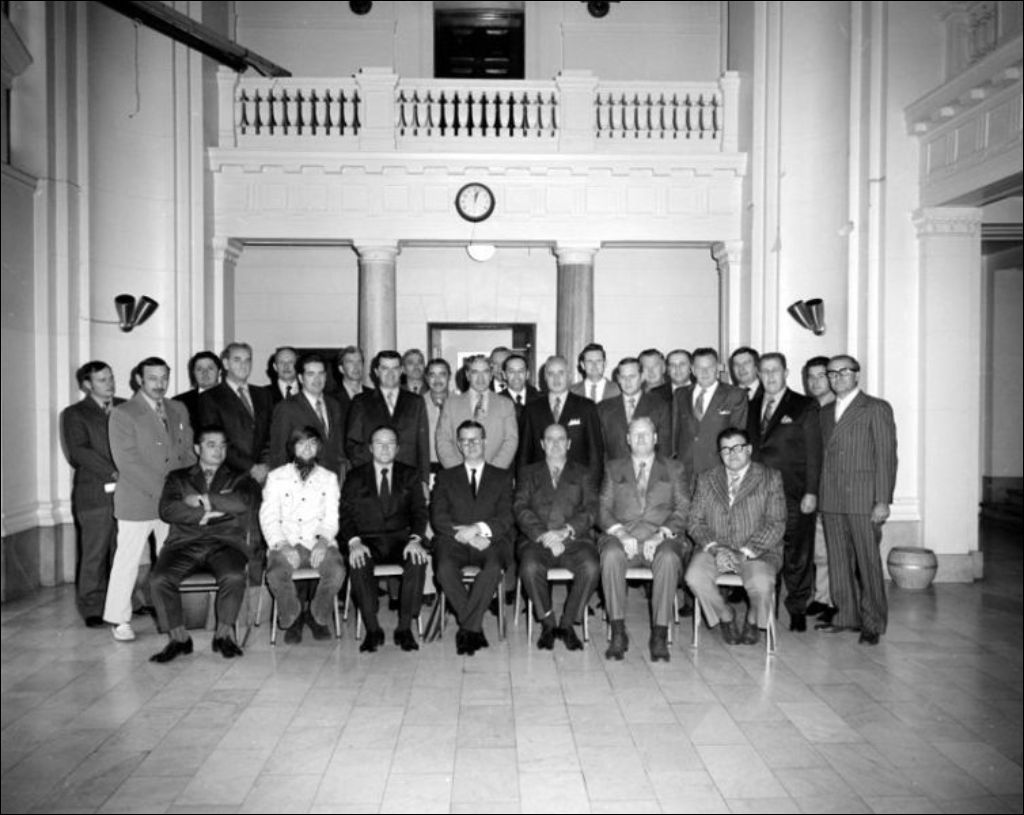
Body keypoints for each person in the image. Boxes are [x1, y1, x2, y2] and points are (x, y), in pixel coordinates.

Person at [105, 357, 196, 642]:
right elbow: (128, 463)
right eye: (153, 378)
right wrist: (169, 492)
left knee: (171, 559)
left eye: (164, 378)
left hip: (173, 502)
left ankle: (171, 617)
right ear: (139, 380)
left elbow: (187, 453)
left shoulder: (178, 409)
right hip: (138, 501)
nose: (159, 384)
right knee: (128, 562)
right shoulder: (123, 413)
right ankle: (119, 619)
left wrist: (189, 486)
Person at [149, 426, 256, 663]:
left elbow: (240, 502)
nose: (218, 451)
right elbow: (168, 510)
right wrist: (204, 515)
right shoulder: (178, 477)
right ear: (197, 449)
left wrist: (201, 500)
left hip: (224, 543)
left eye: (222, 445)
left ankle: (223, 636)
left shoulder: (239, 476)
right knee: (159, 579)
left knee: (234, 576)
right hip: (183, 543)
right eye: (211, 445)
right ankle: (179, 639)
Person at [818, 355, 898, 645]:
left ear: (856, 375)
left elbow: (886, 457)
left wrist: (882, 500)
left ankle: (873, 622)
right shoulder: (825, 412)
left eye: (844, 372)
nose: (837, 377)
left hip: (863, 499)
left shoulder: (875, 408)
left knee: (867, 562)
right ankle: (846, 616)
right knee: (838, 562)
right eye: (831, 373)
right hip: (832, 497)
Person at [598, 416, 689, 662]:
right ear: (627, 439)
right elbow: (602, 508)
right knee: (610, 555)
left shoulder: (674, 468)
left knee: (668, 557)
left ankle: (659, 634)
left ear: (656, 438)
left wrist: (660, 534)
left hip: (661, 539)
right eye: (635, 434)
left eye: (646, 433)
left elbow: (683, 508)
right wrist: (620, 532)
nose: (640, 438)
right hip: (622, 538)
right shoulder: (613, 468)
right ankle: (618, 633)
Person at [685, 428, 786, 646]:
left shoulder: (770, 478)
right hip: (715, 548)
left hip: (758, 551)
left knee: (761, 583)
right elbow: (694, 522)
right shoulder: (706, 479)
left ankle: (753, 620)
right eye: (726, 450)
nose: (732, 454)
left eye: (738, 448)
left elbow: (776, 523)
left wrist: (745, 552)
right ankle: (725, 615)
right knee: (694, 577)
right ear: (720, 454)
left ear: (749, 449)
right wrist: (716, 549)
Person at [747, 352, 821, 632]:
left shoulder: (804, 406)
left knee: (797, 553)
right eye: (764, 371)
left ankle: (797, 608)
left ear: (786, 373)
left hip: (794, 492)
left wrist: (811, 492)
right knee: (765, 551)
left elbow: (814, 453)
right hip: (759, 495)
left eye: (775, 370)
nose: (769, 376)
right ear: (758, 374)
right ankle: (767, 609)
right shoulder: (752, 406)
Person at [340, 426, 429, 652]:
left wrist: (416, 539)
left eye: (390, 443)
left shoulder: (410, 474)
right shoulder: (355, 476)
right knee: (358, 561)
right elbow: (345, 514)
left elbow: (420, 512)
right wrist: (354, 542)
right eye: (379, 443)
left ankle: (404, 627)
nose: (385, 448)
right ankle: (372, 629)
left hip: (401, 540)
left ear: (398, 448)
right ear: (370, 448)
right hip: (367, 540)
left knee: (418, 559)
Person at [431, 420, 515, 656]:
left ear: (485, 441)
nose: (470, 444)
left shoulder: (502, 477)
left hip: (490, 541)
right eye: (465, 440)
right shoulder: (446, 477)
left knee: (493, 568)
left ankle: (467, 628)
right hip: (454, 541)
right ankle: (473, 628)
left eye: (475, 439)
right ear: (458, 445)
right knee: (444, 568)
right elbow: (438, 517)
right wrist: (466, 536)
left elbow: (506, 516)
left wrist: (478, 529)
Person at [514, 424, 599, 651]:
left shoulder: (583, 473)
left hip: (574, 540)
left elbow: (591, 509)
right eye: (549, 439)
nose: (555, 444)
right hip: (537, 540)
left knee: (591, 567)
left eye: (561, 439)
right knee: (529, 567)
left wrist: (565, 532)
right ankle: (548, 623)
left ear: (569, 444)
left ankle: (568, 624)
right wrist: (544, 536)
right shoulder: (528, 473)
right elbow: (520, 508)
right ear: (542, 444)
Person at [260, 426, 346, 644]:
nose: (307, 448)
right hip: (286, 541)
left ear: (319, 447)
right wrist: (283, 545)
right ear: (292, 447)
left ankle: (317, 616)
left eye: (312, 443)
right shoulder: (276, 477)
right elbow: (268, 517)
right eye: (301, 443)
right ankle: (293, 617)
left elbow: (332, 516)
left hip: (318, 541)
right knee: (276, 573)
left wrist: (323, 542)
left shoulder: (329, 478)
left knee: (336, 571)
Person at [60, 361, 124, 627]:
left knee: (124, 552)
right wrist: (115, 472)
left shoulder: (125, 407)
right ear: (87, 385)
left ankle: (125, 602)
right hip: (95, 494)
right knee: (95, 553)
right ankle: (92, 607)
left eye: (111, 378)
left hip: (128, 494)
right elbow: (79, 452)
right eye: (102, 380)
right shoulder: (75, 414)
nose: (110, 384)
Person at [346, 350, 431, 485]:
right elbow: (353, 444)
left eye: (395, 368)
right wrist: (372, 467)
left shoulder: (416, 402)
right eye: (385, 368)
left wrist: (424, 481)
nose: (390, 373)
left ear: (401, 371)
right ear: (376, 372)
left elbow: (423, 446)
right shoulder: (361, 402)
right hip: (371, 478)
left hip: (408, 479)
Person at [518, 355, 604, 487]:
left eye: (561, 373)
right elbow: (524, 455)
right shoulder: (531, 409)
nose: (556, 379)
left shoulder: (586, 407)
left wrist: (592, 488)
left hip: (577, 486)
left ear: (569, 376)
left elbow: (595, 454)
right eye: (551, 374)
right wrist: (523, 487)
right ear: (545, 378)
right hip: (540, 487)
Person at [198, 342, 272, 488]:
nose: (243, 365)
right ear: (226, 364)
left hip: (264, 476)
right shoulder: (210, 398)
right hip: (230, 477)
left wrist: (265, 465)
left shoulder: (264, 394)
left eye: (247, 360)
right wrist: (250, 467)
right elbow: (216, 440)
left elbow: (270, 435)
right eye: (237, 360)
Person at [672, 347, 748, 488]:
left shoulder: (735, 395)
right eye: (700, 368)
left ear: (718, 368)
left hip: (718, 471)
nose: (705, 372)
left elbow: (738, 437)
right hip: (685, 472)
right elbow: (675, 433)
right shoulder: (680, 394)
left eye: (710, 367)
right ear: (692, 370)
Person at [436, 354, 518, 470]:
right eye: (475, 372)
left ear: (491, 375)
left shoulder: (506, 404)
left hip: (496, 474)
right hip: (458, 475)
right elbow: (443, 441)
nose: (480, 378)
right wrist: (458, 472)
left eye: (485, 372)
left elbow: (511, 441)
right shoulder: (451, 404)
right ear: (468, 375)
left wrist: (492, 473)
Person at [269, 353, 346, 476]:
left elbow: (338, 448)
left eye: (321, 373)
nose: (317, 379)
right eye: (311, 374)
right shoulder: (286, 407)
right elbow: (279, 453)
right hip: (301, 479)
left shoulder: (334, 405)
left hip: (333, 479)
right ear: (300, 378)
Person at [802, 355, 837, 622]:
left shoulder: (840, 409)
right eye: (810, 377)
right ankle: (822, 596)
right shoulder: (810, 409)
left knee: (836, 550)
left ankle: (837, 601)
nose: (814, 382)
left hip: (836, 490)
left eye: (820, 376)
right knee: (820, 550)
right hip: (814, 488)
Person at [598, 357, 671, 462]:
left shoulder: (660, 406)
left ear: (642, 377)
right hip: (614, 470)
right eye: (623, 377)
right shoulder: (603, 408)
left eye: (632, 376)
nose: (627, 382)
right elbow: (600, 450)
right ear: (618, 379)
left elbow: (665, 447)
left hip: (650, 469)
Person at [173, 351, 222, 431]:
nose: (205, 373)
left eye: (210, 368)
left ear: (219, 372)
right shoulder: (179, 402)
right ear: (193, 373)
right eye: (199, 369)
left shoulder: (232, 399)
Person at [423, 357, 452, 477]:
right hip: (426, 468)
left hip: (454, 467)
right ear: (426, 378)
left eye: (442, 374)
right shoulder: (417, 404)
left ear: (449, 377)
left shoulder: (460, 403)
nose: (437, 380)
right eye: (432, 375)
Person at [334, 345, 373, 429]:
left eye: (359, 362)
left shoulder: (374, 396)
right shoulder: (331, 398)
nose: (356, 367)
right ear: (341, 369)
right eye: (350, 362)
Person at [500, 353, 540, 421]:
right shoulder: (496, 401)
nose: (516, 376)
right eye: (511, 371)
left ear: (527, 374)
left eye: (520, 371)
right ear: (504, 375)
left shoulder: (540, 399)